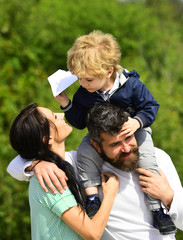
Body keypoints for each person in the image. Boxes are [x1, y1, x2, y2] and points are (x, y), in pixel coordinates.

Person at [53, 30, 173, 233]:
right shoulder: (84, 93)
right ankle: (92, 199)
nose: (83, 84)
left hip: (135, 131)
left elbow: (151, 106)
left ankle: (157, 209)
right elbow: (80, 123)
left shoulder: (132, 85)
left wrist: (137, 122)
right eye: (79, 79)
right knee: (84, 152)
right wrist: (66, 103)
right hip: (100, 137)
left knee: (148, 159)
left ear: (108, 71)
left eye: (88, 79)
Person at [7, 103, 183, 239]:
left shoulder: (158, 159)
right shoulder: (82, 166)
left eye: (129, 137)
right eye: (114, 144)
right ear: (96, 146)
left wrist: (169, 197)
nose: (126, 148)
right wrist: (37, 164)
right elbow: (15, 165)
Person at [9, 103, 119, 240]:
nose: (61, 115)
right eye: (55, 117)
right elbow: (93, 233)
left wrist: (35, 164)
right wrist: (110, 194)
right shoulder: (50, 179)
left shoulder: (63, 166)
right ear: (47, 139)